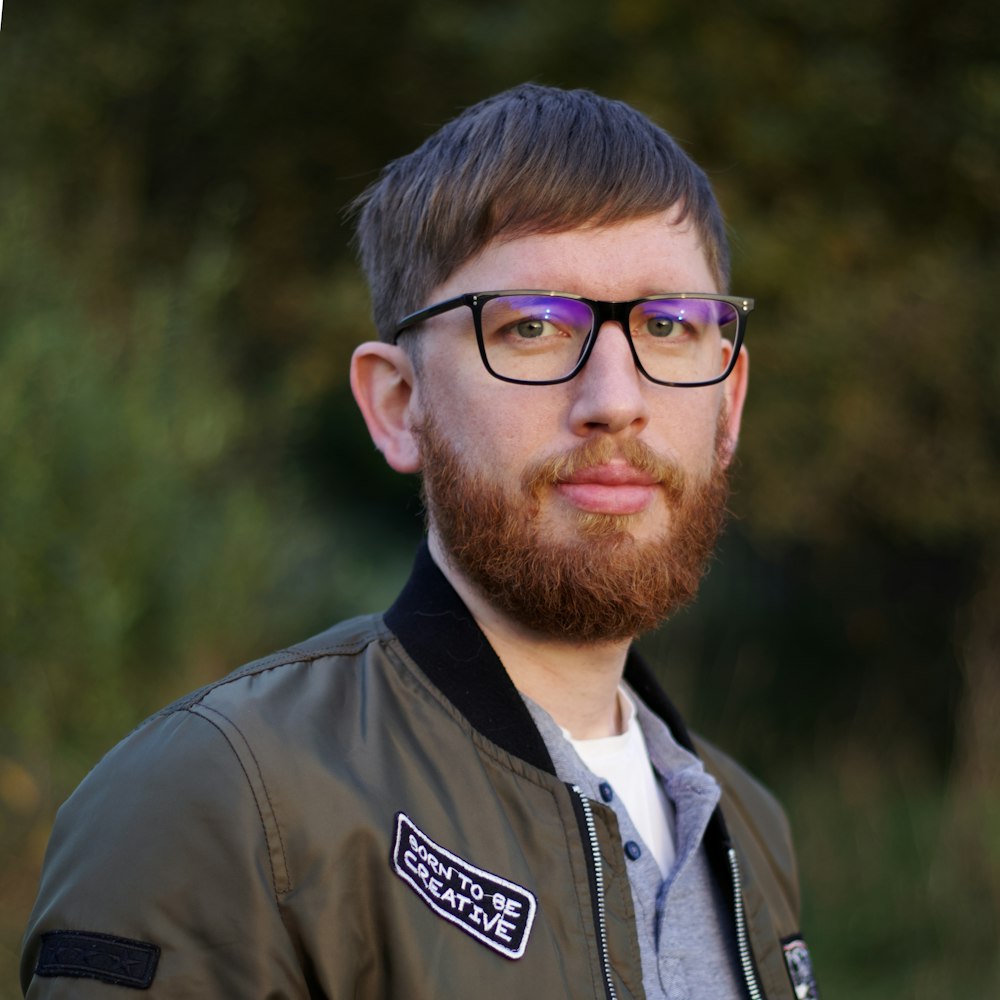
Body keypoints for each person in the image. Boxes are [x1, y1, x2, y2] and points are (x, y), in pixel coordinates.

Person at [21, 84, 820, 1000]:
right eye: (531, 326)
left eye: (668, 326)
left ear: (730, 404)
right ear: (398, 406)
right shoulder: (223, 803)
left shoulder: (747, 826)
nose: (615, 398)